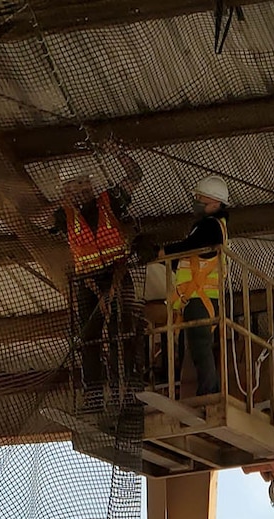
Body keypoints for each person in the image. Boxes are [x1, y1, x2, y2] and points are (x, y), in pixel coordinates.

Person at [51, 151, 144, 406]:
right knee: (88, 338)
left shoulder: (109, 201)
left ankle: (124, 390)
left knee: (122, 331)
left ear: (90, 184)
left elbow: (135, 175)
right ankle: (93, 395)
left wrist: (116, 150)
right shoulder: (64, 215)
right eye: (73, 186)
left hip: (117, 274)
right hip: (87, 283)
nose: (79, 190)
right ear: (66, 190)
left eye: (82, 183)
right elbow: (37, 218)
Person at [159, 175, 230, 396]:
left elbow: (193, 246)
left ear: (216, 203)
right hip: (193, 297)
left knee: (200, 344)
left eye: (202, 198)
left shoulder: (211, 226)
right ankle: (196, 390)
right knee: (192, 346)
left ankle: (209, 392)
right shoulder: (204, 226)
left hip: (201, 297)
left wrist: (163, 253)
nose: (197, 200)